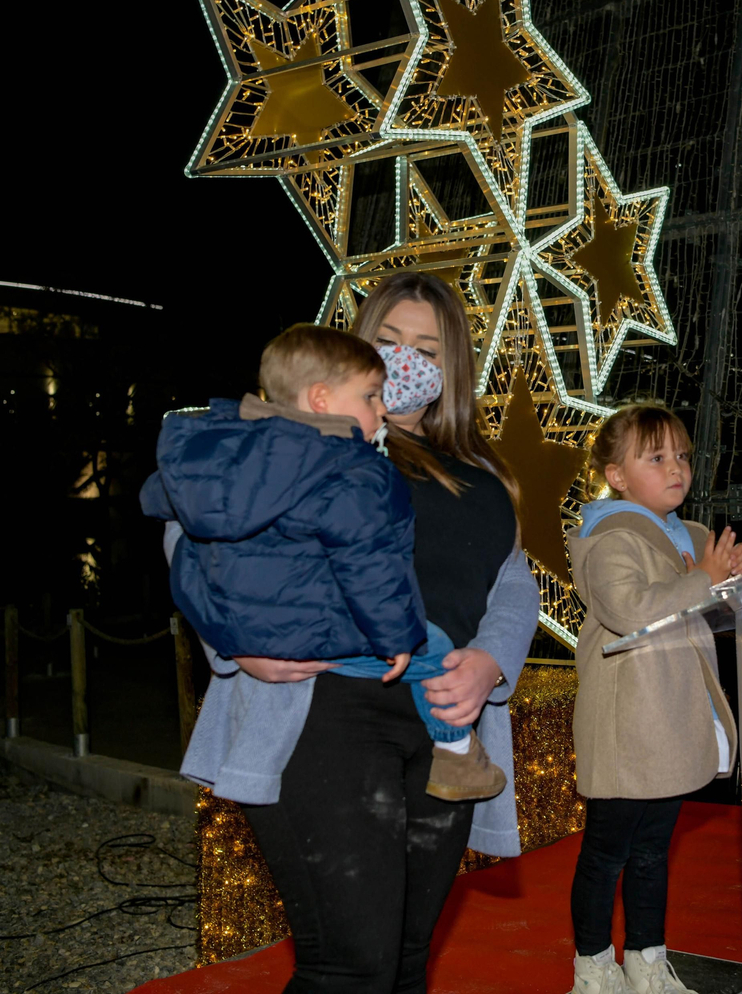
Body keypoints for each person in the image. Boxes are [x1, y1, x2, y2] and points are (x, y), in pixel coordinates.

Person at [155, 273, 539, 993]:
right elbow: (190, 531)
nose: (406, 360)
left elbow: (511, 583)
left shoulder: (481, 473)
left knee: (405, 959)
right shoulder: (298, 437)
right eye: (389, 341)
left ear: (454, 365)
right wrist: (238, 647)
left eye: (428, 346)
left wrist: (490, 662)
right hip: (322, 713)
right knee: (349, 965)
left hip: (441, 723)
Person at [144, 324, 503, 804]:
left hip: (243, 631)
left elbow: (166, 512)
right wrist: (397, 633)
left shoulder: (224, 448)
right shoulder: (353, 468)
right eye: (372, 395)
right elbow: (368, 563)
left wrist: (227, 633)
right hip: (313, 634)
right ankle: (457, 755)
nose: (383, 406)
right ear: (320, 399)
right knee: (432, 645)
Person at [565, 403, 742, 994]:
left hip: (673, 719)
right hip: (629, 721)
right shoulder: (611, 536)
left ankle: (647, 959)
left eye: (681, 455)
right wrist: (705, 577)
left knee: (652, 851)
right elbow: (627, 610)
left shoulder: (691, 535)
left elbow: (724, 592)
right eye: (656, 457)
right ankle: (593, 966)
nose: (676, 467)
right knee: (608, 852)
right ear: (617, 475)